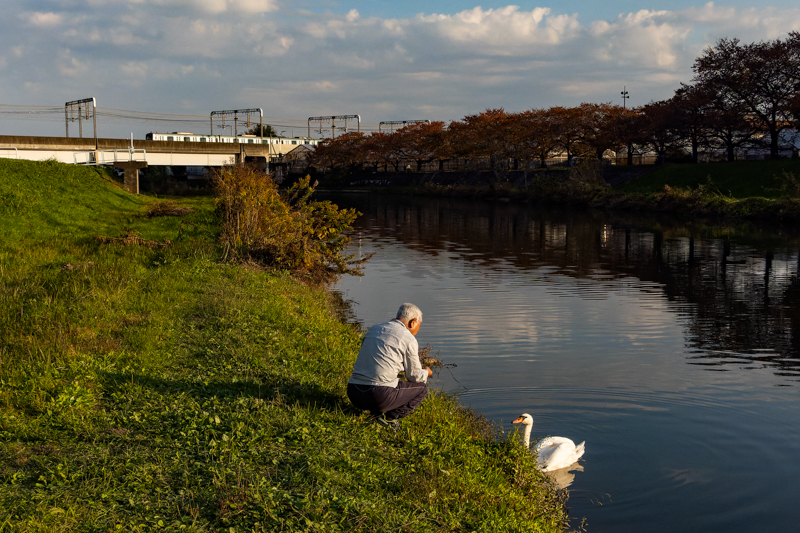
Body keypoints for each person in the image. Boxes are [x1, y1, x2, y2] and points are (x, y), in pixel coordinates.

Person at [347, 303, 433, 429]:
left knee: (388, 378)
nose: (417, 331)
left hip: (354, 392)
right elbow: (414, 377)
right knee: (422, 388)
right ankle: (389, 419)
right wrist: (426, 372)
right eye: (419, 326)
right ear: (413, 322)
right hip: (378, 396)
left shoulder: (374, 329)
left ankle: (376, 414)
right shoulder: (408, 338)